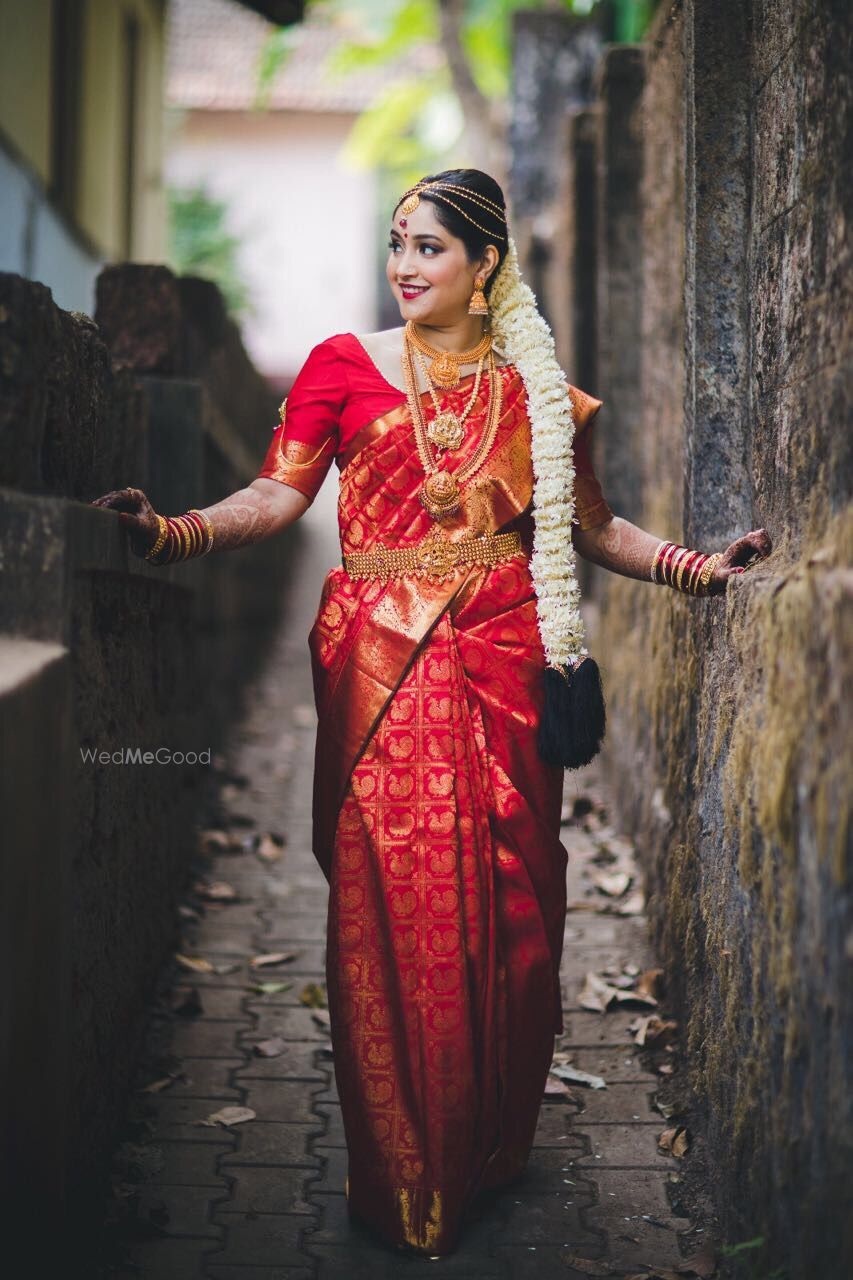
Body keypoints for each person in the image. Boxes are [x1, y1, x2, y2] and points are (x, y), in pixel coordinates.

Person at [91, 169, 772, 1258]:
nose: (406, 265)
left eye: (430, 248)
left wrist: (699, 566)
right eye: (397, 243)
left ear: (485, 263)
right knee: (396, 910)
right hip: (379, 669)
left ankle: (484, 1148)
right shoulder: (341, 368)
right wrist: (172, 532)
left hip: (505, 665)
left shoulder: (540, 393)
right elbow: (277, 494)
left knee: (512, 912)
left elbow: (592, 527)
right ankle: (407, 1167)